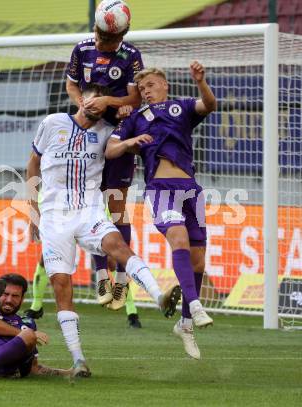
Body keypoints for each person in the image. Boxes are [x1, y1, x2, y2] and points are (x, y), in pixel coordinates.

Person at [27, 84, 181, 376]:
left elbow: (134, 128)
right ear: (80, 99)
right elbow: (32, 163)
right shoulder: (52, 123)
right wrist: (32, 211)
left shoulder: (108, 131)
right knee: (61, 284)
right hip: (53, 216)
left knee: (119, 247)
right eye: (91, 97)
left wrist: (125, 113)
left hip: (90, 210)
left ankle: (159, 296)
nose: (94, 103)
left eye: (101, 99)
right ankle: (78, 359)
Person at [28, 8, 144, 324]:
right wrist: (83, 103)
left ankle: (122, 277)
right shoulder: (81, 49)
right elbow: (71, 85)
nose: (102, 41)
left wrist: (110, 103)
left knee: (117, 205)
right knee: (87, 206)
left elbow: (135, 98)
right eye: (100, 35)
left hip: (117, 135)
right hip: (85, 135)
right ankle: (101, 274)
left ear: (122, 35)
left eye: (109, 38)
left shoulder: (131, 56)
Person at [105, 61, 217, 359]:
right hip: (160, 189)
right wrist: (130, 141)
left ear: (164, 84)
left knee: (198, 263)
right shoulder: (135, 118)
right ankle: (194, 305)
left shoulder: (181, 108)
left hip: (192, 190)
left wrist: (200, 81)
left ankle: (185, 324)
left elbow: (209, 104)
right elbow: (110, 149)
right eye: (141, 89)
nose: (146, 91)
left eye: (151, 86)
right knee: (177, 238)